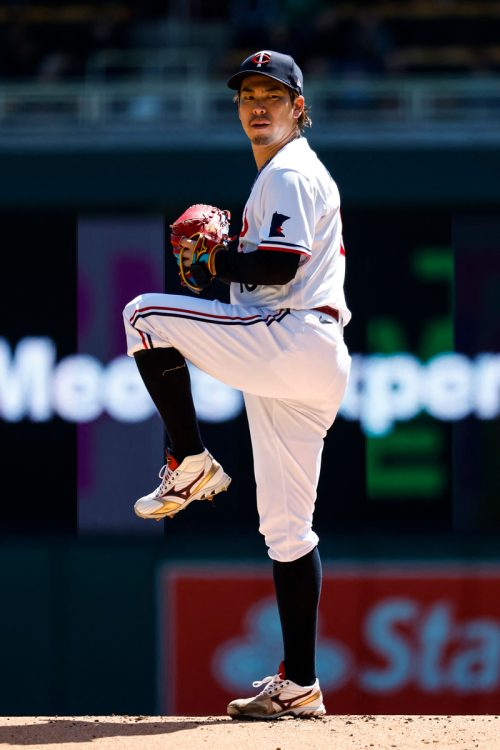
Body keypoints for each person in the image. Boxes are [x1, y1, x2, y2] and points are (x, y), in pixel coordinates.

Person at [123, 49, 351, 719]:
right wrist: (229, 262)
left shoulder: (288, 172)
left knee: (144, 316)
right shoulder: (285, 177)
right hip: (313, 359)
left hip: (289, 334)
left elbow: (276, 267)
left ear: (298, 109)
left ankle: (189, 460)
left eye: (273, 95)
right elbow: (271, 267)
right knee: (287, 531)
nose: (258, 104)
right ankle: (301, 684)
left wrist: (218, 255)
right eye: (248, 94)